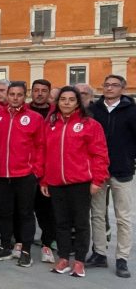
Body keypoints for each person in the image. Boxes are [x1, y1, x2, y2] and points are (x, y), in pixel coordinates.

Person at [41, 87, 109, 278]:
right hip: (55, 182)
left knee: (80, 223)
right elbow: (45, 154)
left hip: (80, 182)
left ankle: (79, 261)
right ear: (57, 102)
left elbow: (100, 155)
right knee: (61, 222)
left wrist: (97, 180)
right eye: (63, 99)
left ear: (78, 102)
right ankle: (63, 257)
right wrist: (45, 180)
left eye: (71, 99)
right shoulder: (51, 125)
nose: (67, 103)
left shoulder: (90, 125)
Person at [0, 82, 45, 267]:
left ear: (24, 96)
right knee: (5, 213)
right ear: (7, 95)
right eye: (12, 94)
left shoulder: (34, 117)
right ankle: (5, 246)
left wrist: (36, 171)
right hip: (1, 175)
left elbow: (40, 146)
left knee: (25, 213)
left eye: (19, 94)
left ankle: (26, 250)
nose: (15, 97)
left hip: (25, 175)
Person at [89, 75, 136, 278]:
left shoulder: (132, 111)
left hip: (122, 169)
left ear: (122, 89)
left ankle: (122, 258)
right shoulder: (94, 110)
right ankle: (99, 253)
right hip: (98, 170)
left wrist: (130, 159)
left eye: (114, 85)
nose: (109, 88)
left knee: (123, 217)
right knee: (97, 214)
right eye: (106, 84)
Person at [28, 79, 56, 263]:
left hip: (49, 168)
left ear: (49, 93)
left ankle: (47, 242)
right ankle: (23, 241)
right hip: (26, 169)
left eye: (43, 90)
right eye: (36, 90)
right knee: (25, 208)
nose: (39, 93)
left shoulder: (57, 112)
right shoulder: (24, 111)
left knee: (47, 210)